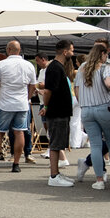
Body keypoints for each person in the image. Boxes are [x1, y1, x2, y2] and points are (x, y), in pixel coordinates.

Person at [75, 40, 110, 189]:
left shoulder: (82, 68)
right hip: (103, 108)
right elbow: (109, 84)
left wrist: (83, 103)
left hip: (86, 110)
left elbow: (77, 90)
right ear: (102, 54)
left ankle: (99, 181)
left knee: (95, 146)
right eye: (106, 55)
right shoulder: (105, 68)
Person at [0, 39, 36, 172]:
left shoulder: (1, 64)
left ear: (8, 50)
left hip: (4, 103)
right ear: (19, 50)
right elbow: (33, 85)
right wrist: (27, 97)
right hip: (21, 104)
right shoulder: (29, 65)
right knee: (19, 132)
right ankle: (16, 164)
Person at [40, 38, 77, 187]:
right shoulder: (55, 68)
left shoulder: (57, 67)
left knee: (59, 143)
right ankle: (54, 176)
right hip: (57, 112)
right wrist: (46, 106)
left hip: (60, 111)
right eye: (72, 50)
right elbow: (48, 91)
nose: (73, 53)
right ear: (65, 51)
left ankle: (56, 174)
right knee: (55, 144)